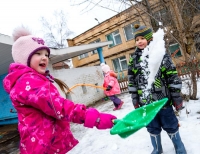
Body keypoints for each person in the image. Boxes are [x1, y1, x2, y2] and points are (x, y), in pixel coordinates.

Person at [3, 26, 117, 154]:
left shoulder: (32, 81)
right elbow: (59, 106)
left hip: (49, 143)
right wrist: (95, 118)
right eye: (38, 53)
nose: (45, 57)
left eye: (46, 54)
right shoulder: (28, 82)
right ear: (24, 58)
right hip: (46, 148)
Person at [127, 24, 187, 154]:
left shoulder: (161, 55)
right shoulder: (133, 60)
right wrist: (135, 99)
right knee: (152, 127)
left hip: (163, 102)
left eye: (142, 38)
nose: (139, 41)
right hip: (146, 104)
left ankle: (179, 147)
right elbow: (132, 81)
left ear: (149, 38)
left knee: (171, 124)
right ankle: (157, 149)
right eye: (137, 40)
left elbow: (172, 76)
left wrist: (176, 96)